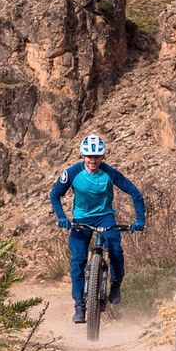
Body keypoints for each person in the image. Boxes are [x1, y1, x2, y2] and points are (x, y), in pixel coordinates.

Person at [49, 134, 146, 323]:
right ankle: (79, 306)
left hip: (104, 217)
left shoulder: (109, 173)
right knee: (77, 260)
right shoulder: (72, 172)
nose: (93, 160)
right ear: (82, 156)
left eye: (97, 156)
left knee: (116, 250)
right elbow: (55, 195)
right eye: (89, 156)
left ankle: (115, 285)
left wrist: (139, 219)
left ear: (102, 156)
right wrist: (62, 217)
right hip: (81, 219)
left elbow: (135, 192)